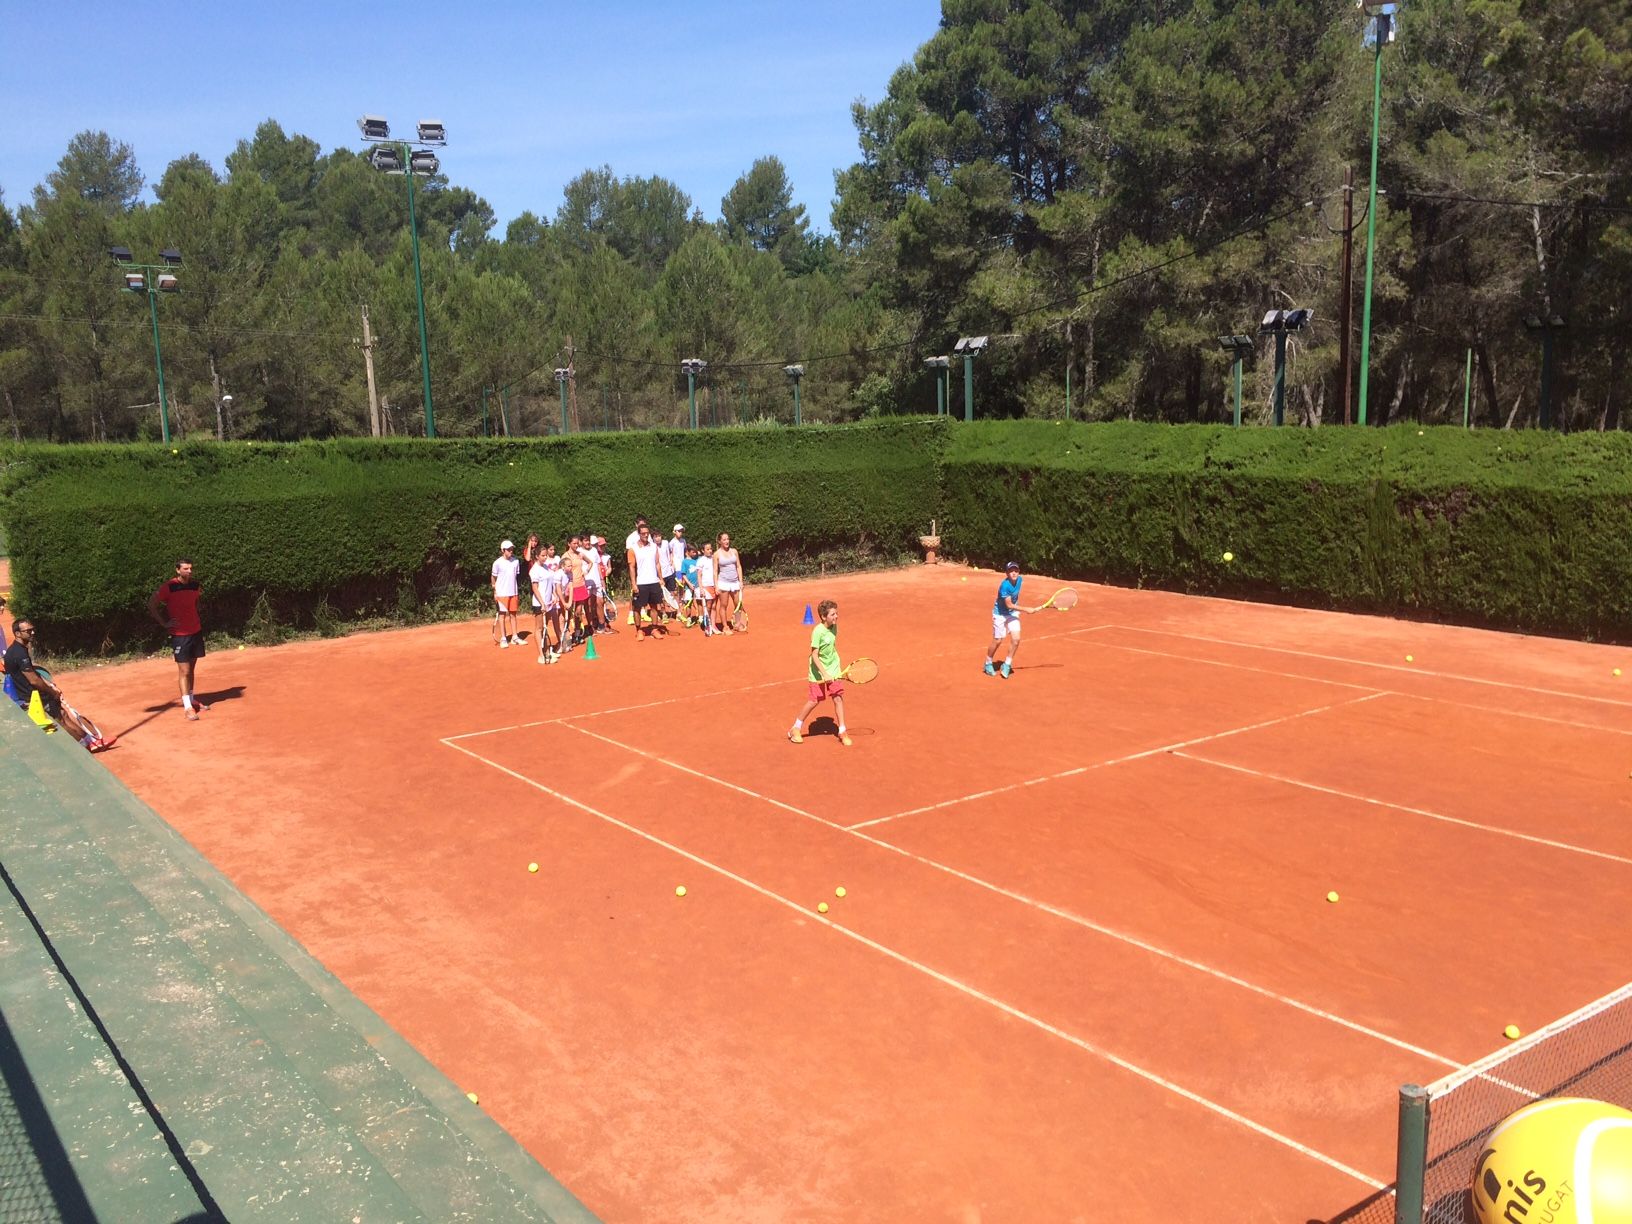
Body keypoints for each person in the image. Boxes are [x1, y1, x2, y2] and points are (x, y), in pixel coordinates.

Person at [3, 620, 106, 749]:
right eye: (28, 631)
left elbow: (33, 672)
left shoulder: (18, 650)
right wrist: (52, 692)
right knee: (61, 721)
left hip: (39, 693)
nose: (32, 632)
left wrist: (50, 685)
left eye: (32, 629)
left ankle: (90, 742)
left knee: (63, 715)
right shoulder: (19, 653)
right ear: (17, 633)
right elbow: (33, 680)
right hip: (34, 696)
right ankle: (84, 747)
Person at [147, 558, 210, 720]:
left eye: (190, 569)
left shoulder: (195, 585)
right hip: (180, 636)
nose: (189, 571)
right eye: (186, 569)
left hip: (196, 631)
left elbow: (197, 602)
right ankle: (188, 707)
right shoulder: (169, 586)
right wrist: (164, 623)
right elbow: (152, 604)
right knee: (185, 670)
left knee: (192, 669)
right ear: (177, 570)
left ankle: (192, 699)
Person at [788, 600, 849, 746]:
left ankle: (842, 730)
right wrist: (824, 674)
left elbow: (831, 648)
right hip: (817, 672)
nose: (836, 616)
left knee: (838, 697)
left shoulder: (834, 627)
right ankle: (795, 728)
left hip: (833, 668)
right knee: (815, 700)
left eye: (836, 613)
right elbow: (814, 655)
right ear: (823, 616)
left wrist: (832, 671)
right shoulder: (817, 632)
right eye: (833, 614)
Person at [985, 561, 1040, 678]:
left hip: (1012, 613)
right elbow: (1009, 605)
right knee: (998, 640)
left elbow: (1013, 604)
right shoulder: (1004, 586)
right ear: (1006, 573)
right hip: (1000, 614)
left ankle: (1007, 664)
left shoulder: (1020, 580)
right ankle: (988, 663)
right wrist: (1027, 609)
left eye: (1016, 570)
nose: (1014, 573)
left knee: (1016, 639)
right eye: (1011, 571)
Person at [626, 521, 667, 642]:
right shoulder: (633, 549)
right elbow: (632, 567)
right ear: (639, 534)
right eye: (643, 533)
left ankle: (654, 629)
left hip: (654, 582)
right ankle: (639, 630)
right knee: (637, 608)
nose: (645, 535)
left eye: (647, 533)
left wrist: (661, 579)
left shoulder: (654, 547)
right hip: (640, 583)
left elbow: (657, 563)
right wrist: (633, 584)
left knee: (655, 606)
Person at [491, 540, 522, 648]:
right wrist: (495, 591)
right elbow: (493, 577)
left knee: (513, 614)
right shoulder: (497, 563)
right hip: (501, 593)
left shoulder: (516, 561)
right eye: (508, 549)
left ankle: (515, 637)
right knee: (502, 615)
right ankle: (503, 638)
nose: (511, 551)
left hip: (513, 592)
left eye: (511, 549)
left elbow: (515, 577)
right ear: (503, 550)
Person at [714, 531, 743, 634]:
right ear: (720, 541)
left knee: (738, 604)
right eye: (724, 539)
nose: (727, 541)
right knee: (724, 605)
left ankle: (738, 624)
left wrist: (741, 581)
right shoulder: (716, 554)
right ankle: (725, 627)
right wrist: (716, 586)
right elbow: (715, 571)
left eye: (728, 539)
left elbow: (738, 566)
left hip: (735, 582)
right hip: (723, 583)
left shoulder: (734, 551)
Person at [529, 545, 552, 665]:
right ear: (537, 556)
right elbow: (535, 588)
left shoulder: (546, 568)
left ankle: (547, 651)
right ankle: (541, 655)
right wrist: (542, 603)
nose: (545, 557)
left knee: (545, 627)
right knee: (539, 628)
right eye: (542, 556)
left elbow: (550, 584)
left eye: (546, 555)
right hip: (539, 603)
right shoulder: (534, 570)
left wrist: (553, 597)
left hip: (548, 603)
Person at [696, 542, 718, 636]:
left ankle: (714, 626)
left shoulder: (714, 558)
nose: (710, 551)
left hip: (715, 585)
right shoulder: (701, 560)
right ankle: (707, 625)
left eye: (711, 549)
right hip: (706, 586)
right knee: (708, 606)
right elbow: (699, 575)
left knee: (714, 606)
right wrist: (701, 588)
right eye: (707, 549)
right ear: (703, 551)